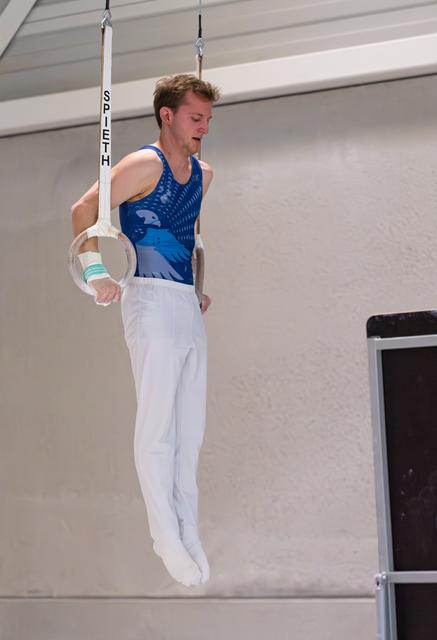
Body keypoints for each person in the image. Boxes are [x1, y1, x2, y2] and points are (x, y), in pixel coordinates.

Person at [71, 74, 221, 587]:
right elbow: (83, 211)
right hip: (148, 300)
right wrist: (95, 275)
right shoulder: (141, 165)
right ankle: (163, 533)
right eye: (195, 118)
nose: (203, 127)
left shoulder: (204, 175)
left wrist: (196, 288)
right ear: (168, 116)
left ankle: (187, 525)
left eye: (207, 119)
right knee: (157, 428)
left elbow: (191, 238)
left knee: (190, 431)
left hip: (182, 303)